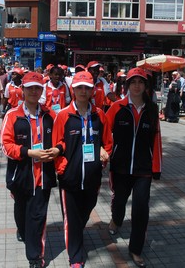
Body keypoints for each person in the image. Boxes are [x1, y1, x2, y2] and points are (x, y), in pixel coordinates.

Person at [52, 71, 113, 268]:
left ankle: (76, 232)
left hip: (93, 177)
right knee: (71, 219)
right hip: (70, 178)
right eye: (79, 87)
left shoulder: (99, 115)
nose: (83, 91)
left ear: (93, 90)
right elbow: (57, 143)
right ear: (73, 89)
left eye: (87, 87)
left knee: (84, 212)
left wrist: (103, 157)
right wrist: (63, 169)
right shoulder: (63, 115)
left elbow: (108, 143)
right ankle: (75, 258)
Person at [105, 67, 162, 268]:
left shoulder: (152, 110)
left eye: (141, 82)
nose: (137, 86)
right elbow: (105, 133)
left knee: (140, 208)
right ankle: (116, 220)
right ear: (127, 85)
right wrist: (107, 153)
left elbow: (156, 141)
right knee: (119, 199)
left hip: (143, 169)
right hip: (120, 166)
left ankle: (136, 249)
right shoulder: (116, 107)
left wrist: (156, 168)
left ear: (146, 86)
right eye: (133, 82)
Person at [1, 72, 59, 268]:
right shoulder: (12, 115)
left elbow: (60, 140)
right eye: (30, 88)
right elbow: (6, 146)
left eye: (37, 88)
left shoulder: (51, 115)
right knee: (21, 212)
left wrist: (56, 150)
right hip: (20, 174)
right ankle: (22, 230)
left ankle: (35, 258)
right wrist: (29, 153)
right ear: (23, 90)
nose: (34, 91)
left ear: (42, 90)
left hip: (44, 176)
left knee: (37, 216)